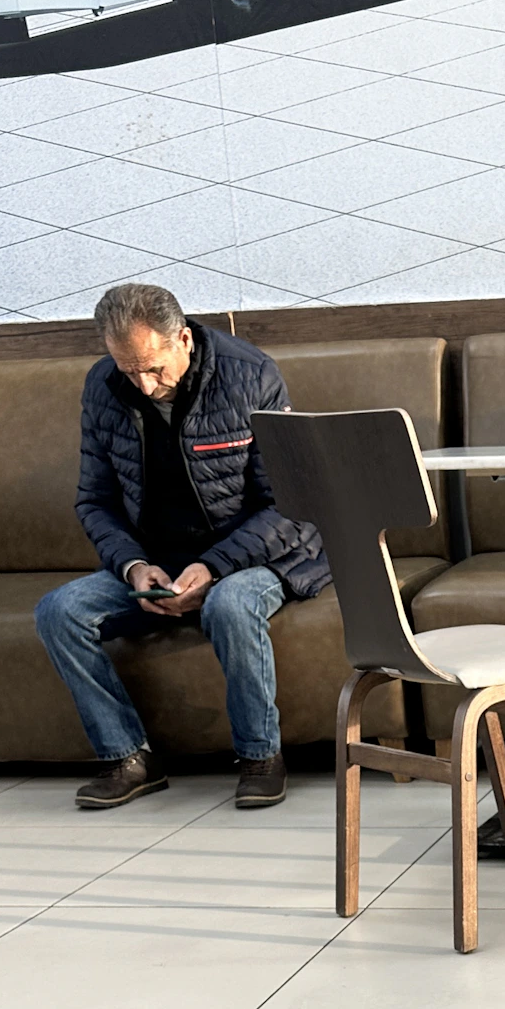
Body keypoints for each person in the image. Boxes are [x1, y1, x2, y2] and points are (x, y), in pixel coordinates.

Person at [34, 284, 329, 811]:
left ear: (184, 339)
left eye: (153, 368)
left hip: (262, 553)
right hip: (159, 558)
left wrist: (213, 566)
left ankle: (261, 756)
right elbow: (94, 501)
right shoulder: (103, 387)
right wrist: (133, 566)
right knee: (59, 612)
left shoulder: (251, 374)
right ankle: (128, 757)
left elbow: (291, 501)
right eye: (128, 370)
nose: (144, 386)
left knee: (231, 603)